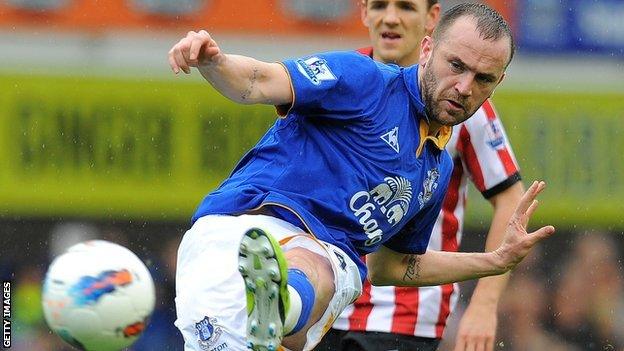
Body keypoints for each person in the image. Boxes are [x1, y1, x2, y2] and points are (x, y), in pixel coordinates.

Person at [167, 3, 555, 351]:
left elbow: (392, 267)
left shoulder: (437, 168)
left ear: (498, 83)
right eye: (456, 66)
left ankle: (278, 309)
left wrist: (494, 261)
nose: (465, 87)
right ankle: (282, 301)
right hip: (239, 235)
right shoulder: (365, 79)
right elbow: (259, 81)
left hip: (261, 287)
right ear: (426, 49)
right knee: (330, 264)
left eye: (483, 78)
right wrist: (212, 61)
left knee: (336, 271)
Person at [317, 1, 524, 350]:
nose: (392, 17)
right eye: (381, 5)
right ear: (364, 10)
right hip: (324, 299)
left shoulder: (461, 99)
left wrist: (485, 305)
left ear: (431, 19)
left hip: (404, 312)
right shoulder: (339, 79)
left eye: (407, 7)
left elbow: (510, 198)